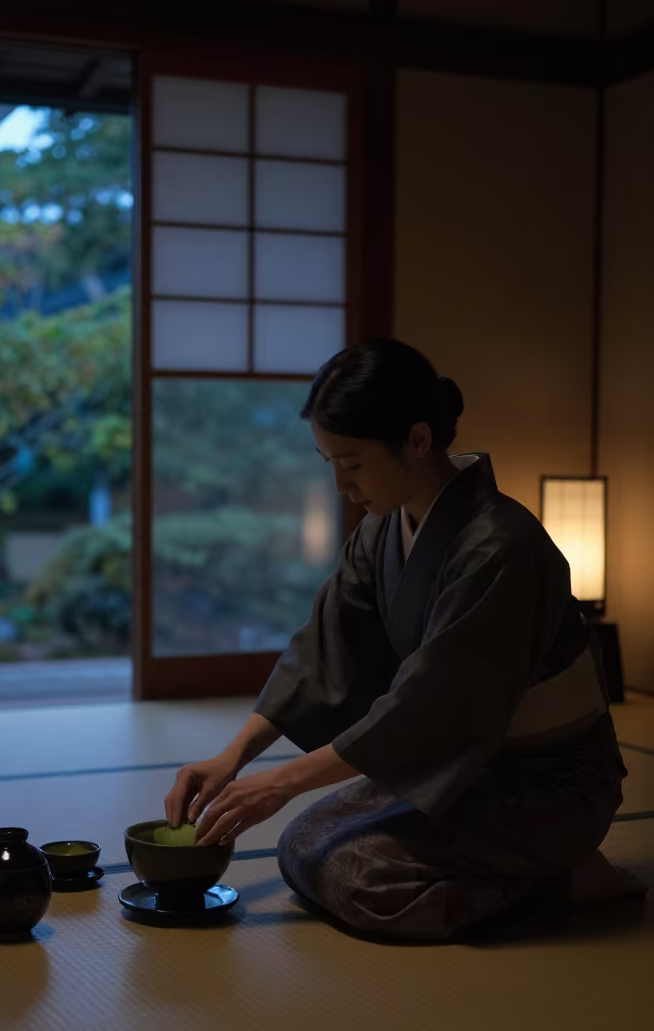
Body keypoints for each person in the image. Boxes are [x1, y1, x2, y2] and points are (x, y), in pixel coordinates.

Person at [164, 339, 644, 942]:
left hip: (546, 784)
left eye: (353, 462)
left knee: (359, 880)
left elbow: (430, 706)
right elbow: (321, 652)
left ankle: (574, 881)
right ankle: (539, 873)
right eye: (330, 463)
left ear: (418, 440)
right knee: (302, 844)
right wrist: (233, 758)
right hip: (459, 770)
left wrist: (280, 783)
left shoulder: (501, 546)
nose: (341, 484)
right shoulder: (381, 530)